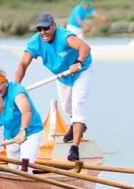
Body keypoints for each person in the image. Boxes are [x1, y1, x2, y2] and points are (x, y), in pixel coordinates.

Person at [15, 12, 94, 161]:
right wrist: (16, 86)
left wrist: (78, 62)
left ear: (54, 26)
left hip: (82, 71)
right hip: (63, 76)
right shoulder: (35, 42)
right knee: (67, 108)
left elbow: (85, 47)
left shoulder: (65, 36)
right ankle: (77, 126)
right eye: (40, 29)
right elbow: (23, 64)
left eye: (46, 28)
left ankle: (74, 148)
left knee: (78, 104)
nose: (43, 33)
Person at [0, 67, 43, 163]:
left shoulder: (17, 92)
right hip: (10, 136)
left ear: (6, 82)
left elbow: (26, 112)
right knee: (12, 171)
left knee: (25, 168)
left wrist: (23, 130)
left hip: (29, 132)